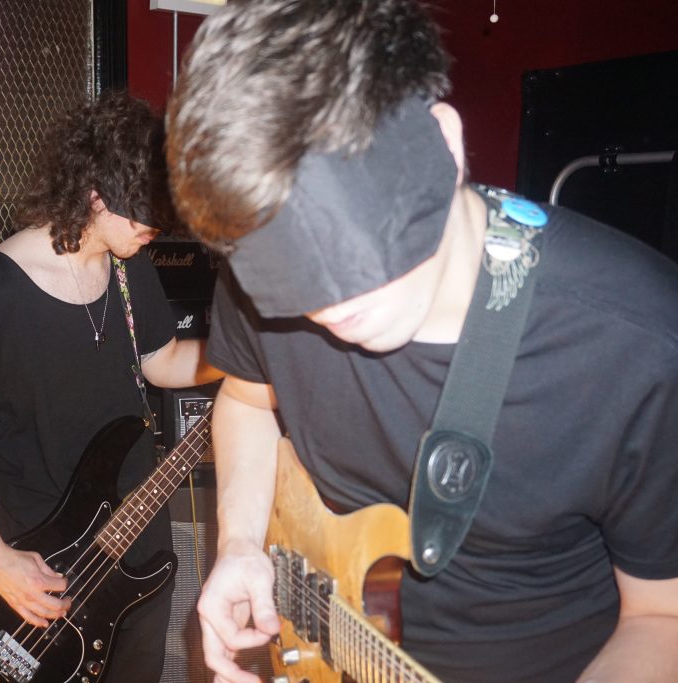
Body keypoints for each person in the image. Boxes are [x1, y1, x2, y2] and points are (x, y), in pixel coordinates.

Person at [165, 1, 678, 682]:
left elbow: (661, 618)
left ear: (444, 144)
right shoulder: (259, 287)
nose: (328, 309)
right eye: (291, 286)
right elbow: (247, 399)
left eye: (353, 258)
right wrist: (238, 544)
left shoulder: (638, 343)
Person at [0, 90, 221, 682]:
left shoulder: (132, 267)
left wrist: (238, 354)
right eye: (142, 214)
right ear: (95, 194)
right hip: (45, 557)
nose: (153, 229)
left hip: (139, 534)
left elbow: (161, 362)